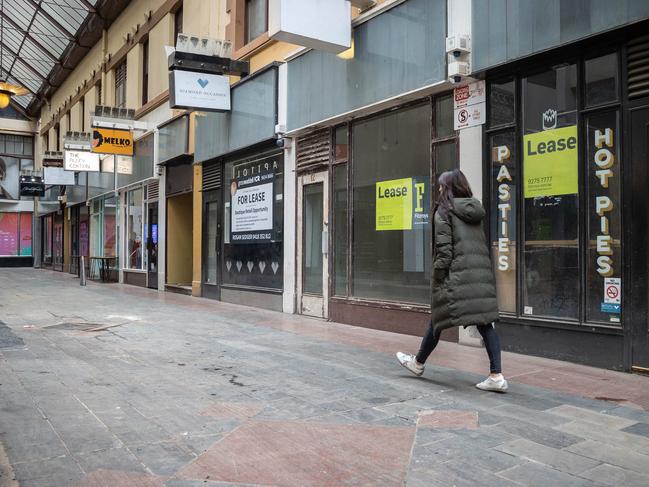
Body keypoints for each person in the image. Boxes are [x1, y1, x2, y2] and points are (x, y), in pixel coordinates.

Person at [396, 169, 508, 392]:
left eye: (440, 186)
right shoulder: (474, 211)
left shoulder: (444, 212)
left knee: (437, 320)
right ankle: (496, 375)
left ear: (447, 188)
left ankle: (418, 364)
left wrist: (437, 279)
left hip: (456, 277)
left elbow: (445, 252)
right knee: (485, 324)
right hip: (479, 277)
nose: (438, 189)